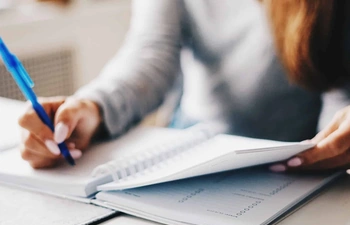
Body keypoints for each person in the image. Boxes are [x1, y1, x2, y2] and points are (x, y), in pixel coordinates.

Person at [17, 0, 350, 171]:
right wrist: (92, 108)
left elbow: (340, 81)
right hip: (192, 152)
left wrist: (335, 141)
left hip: (297, 162)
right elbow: (151, 53)